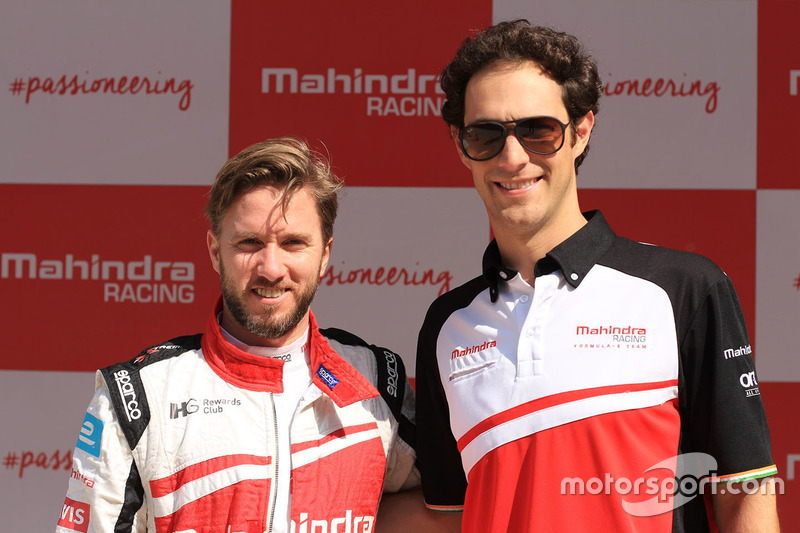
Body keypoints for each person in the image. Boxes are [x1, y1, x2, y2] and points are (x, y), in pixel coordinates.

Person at [414, 19, 780, 532]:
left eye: (539, 131)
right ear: (460, 144)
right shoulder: (446, 323)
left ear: (581, 130)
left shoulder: (684, 288)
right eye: (486, 134)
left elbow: (746, 493)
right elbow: (448, 516)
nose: (513, 157)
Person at [56, 137, 419, 533]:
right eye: (249, 243)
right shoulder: (137, 398)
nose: (271, 268)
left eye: (294, 243)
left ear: (325, 255)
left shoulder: (378, 380)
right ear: (215, 251)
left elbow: (446, 507)